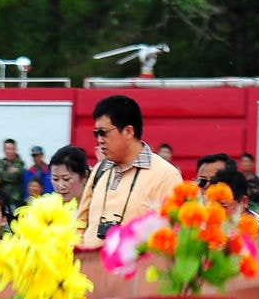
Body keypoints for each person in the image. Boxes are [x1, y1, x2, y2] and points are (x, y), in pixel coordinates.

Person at [76, 94, 183, 248]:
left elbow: (173, 238)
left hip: (137, 271)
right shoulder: (101, 169)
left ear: (128, 131)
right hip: (90, 270)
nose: (99, 140)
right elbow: (79, 227)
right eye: (96, 133)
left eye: (103, 132)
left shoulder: (166, 176)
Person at [0, 138, 25, 208]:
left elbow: (14, 177)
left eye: (12, 149)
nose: (10, 151)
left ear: (15, 150)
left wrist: (0, 174)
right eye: (8, 149)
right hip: (0, 199)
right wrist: (7, 173)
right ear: (4, 150)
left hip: (14, 199)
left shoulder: (20, 163)